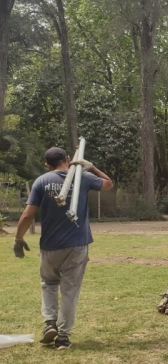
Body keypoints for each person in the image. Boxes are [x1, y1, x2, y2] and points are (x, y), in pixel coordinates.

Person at [13, 147, 113, 350]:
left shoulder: (41, 181)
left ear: (46, 165)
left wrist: (18, 238)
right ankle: (63, 338)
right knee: (70, 291)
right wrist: (92, 167)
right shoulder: (83, 177)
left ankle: (50, 323)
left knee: (48, 283)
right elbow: (109, 184)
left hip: (50, 247)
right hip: (76, 246)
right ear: (68, 159)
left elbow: (27, 215)